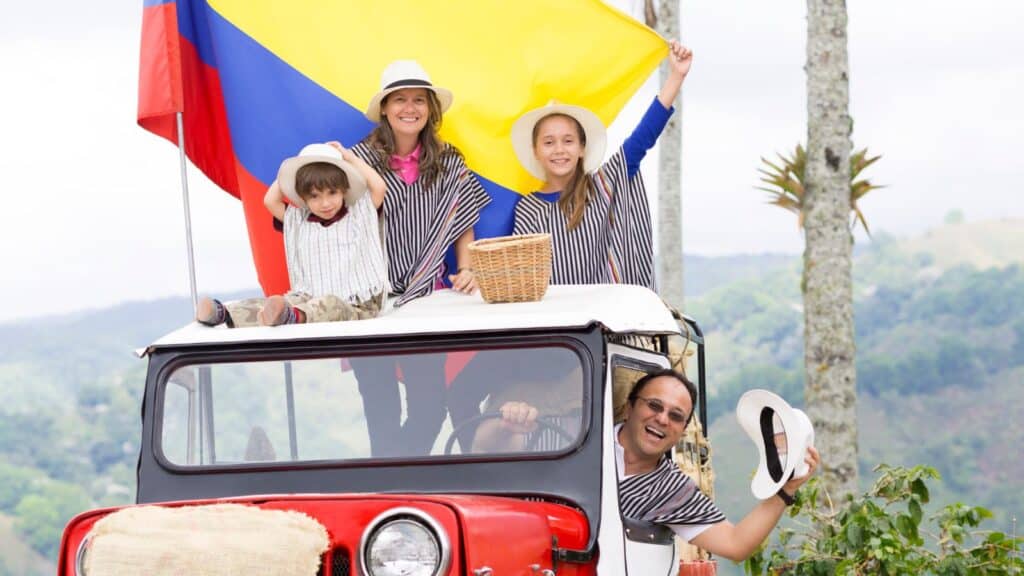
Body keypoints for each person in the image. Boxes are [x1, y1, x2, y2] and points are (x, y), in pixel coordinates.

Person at [344, 60, 490, 457]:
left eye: (419, 100)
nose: (410, 108)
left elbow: (463, 219)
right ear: (386, 108)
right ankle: (392, 489)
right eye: (401, 100)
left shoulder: (448, 162)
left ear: (431, 109)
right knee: (380, 407)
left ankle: (391, 477)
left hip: (426, 298)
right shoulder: (358, 161)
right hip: (369, 299)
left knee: (430, 407)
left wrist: (468, 268)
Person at [510, 41, 693, 289]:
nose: (559, 150)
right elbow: (521, 273)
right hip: (555, 323)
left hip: (605, 321)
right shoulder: (527, 208)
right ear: (536, 151)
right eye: (549, 142)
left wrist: (676, 77)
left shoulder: (602, 187)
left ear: (582, 148)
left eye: (568, 141)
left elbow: (641, 139)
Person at [616, 369, 820, 562]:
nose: (662, 419)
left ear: (682, 431)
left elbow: (735, 544)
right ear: (629, 408)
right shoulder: (587, 444)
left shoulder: (670, 489)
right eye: (654, 405)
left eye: (676, 416)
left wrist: (787, 490)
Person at [195, 143, 387, 327]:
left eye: (332, 193)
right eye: (314, 196)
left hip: (357, 304)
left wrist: (349, 158)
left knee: (329, 304)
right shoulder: (299, 222)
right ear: (303, 197)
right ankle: (224, 313)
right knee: (272, 304)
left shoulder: (358, 215)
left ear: (344, 191)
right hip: (308, 297)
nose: (325, 203)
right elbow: (270, 200)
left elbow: (379, 187)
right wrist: (293, 171)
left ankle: (293, 316)